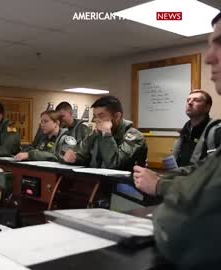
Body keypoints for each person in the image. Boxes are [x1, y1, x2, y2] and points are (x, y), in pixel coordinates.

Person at [133, 13, 221, 269]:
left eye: (220, 43)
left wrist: (161, 187)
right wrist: (163, 180)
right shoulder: (183, 131)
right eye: (188, 99)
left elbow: (180, 225)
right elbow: (195, 171)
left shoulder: (215, 130)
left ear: (207, 106)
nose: (209, 57)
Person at [63, 96, 147, 171]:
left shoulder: (134, 136)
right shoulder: (96, 134)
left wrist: (106, 134)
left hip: (125, 183)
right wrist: (74, 158)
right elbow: (83, 154)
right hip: (99, 182)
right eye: (95, 116)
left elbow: (115, 164)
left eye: (101, 116)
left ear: (117, 116)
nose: (96, 120)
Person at [172, 90, 221, 167]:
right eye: (188, 100)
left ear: (207, 107)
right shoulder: (185, 131)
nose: (189, 103)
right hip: (181, 178)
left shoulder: (217, 132)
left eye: (196, 100)